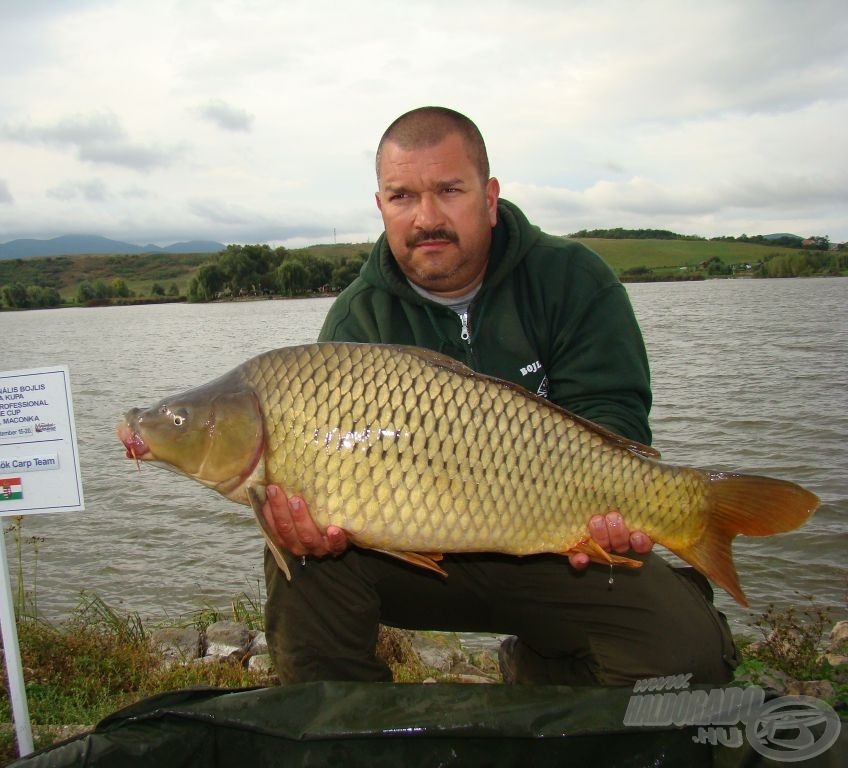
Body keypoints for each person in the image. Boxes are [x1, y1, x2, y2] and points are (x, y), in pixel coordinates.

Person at [260, 106, 739, 686]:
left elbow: (614, 417)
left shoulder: (573, 279)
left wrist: (614, 514)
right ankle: (342, 731)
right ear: (381, 206)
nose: (426, 217)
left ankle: (542, 665)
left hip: (557, 547)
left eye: (449, 190)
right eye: (403, 196)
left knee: (687, 659)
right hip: (412, 558)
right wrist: (309, 523)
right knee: (298, 562)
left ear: (489, 198)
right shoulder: (357, 317)